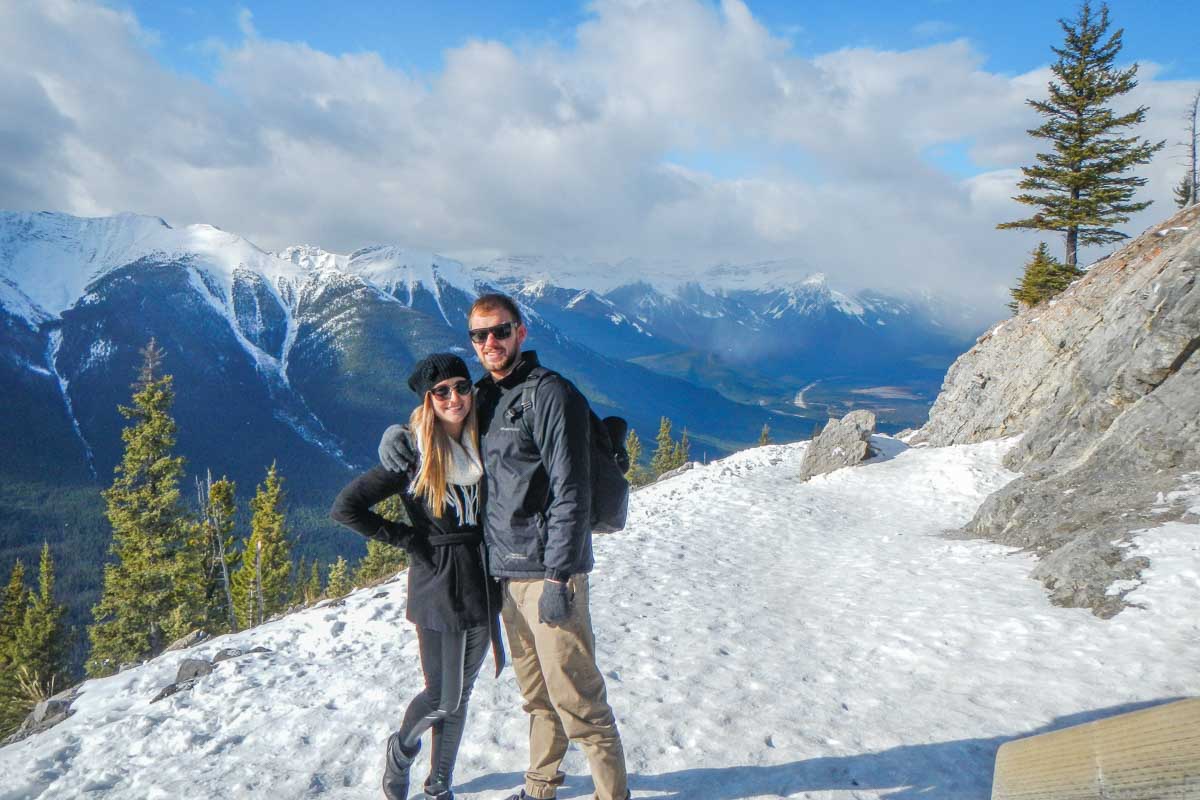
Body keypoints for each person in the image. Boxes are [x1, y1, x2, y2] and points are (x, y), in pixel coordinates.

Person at [381, 294, 630, 800]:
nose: (490, 343)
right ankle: (540, 788)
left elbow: (571, 491)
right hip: (506, 575)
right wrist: (395, 434)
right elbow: (438, 418)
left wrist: (559, 576)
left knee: (579, 701)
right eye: (479, 335)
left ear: (522, 332)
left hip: (547, 574)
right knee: (538, 698)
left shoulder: (549, 395)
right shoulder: (486, 397)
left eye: (500, 331)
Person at [332, 353, 503, 800]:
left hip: (484, 581)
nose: (454, 397)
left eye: (462, 386)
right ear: (428, 400)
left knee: (461, 695)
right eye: (441, 391)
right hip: (440, 586)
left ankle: (439, 783)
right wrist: (408, 539)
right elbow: (346, 508)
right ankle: (401, 749)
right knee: (443, 696)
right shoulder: (411, 454)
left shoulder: (483, 438)